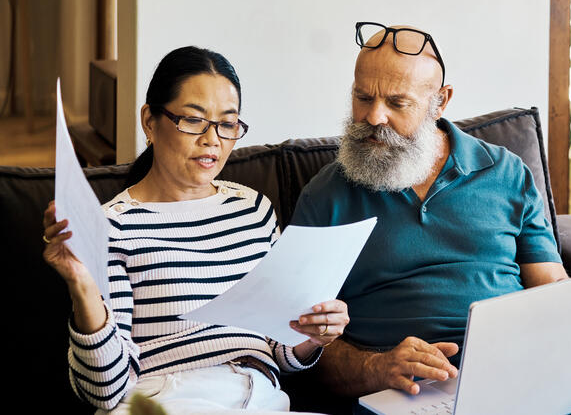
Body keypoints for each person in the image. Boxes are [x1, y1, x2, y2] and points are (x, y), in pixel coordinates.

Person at [291, 23, 571, 414]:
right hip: (405, 394)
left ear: (440, 101)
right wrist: (377, 367)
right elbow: (300, 347)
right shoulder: (326, 195)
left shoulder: (506, 173)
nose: (374, 116)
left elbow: (553, 289)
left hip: (519, 372)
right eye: (363, 97)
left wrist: (568, 353)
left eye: (397, 103)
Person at [42, 46, 348, 414]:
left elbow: (281, 351)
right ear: (149, 121)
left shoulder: (254, 209)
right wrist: (82, 287)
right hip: (170, 397)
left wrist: (314, 335)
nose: (212, 139)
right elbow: (105, 390)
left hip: (262, 397)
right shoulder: (113, 225)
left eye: (227, 123)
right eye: (193, 120)